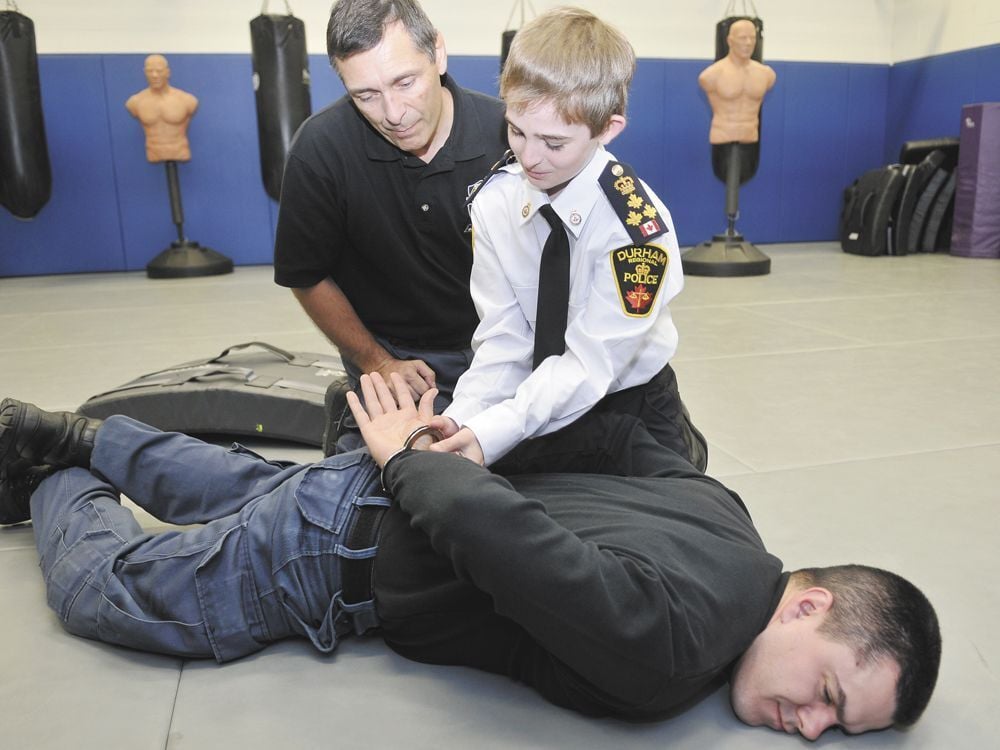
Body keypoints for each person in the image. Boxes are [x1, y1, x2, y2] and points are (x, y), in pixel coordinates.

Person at [0, 387, 940, 739]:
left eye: (838, 734)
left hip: (355, 495)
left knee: (237, 487)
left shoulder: (729, 517)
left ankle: (77, 432)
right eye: (829, 697)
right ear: (810, 608)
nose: (811, 730)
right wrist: (415, 459)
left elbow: (615, 434)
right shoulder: (675, 652)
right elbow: (521, 554)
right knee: (110, 595)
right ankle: (49, 475)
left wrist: (461, 434)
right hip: (335, 557)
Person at [427, 8, 705, 470]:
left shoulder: (636, 235)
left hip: (631, 408)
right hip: (535, 398)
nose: (530, 158)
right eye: (516, 130)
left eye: (554, 143)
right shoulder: (496, 204)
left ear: (607, 129)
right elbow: (506, 339)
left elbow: (591, 364)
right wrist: (463, 419)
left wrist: (493, 432)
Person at [272, 0, 508, 434]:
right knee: (410, 474)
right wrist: (375, 361)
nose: (393, 113)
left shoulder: (506, 134)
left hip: (502, 342)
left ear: (437, 53)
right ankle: (351, 406)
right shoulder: (320, 149)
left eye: (405, 82)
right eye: (366, 95)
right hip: (392, 351)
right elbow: (305, 275)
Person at [698, 19, 776, 186]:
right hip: (722, 134)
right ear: (729, 40)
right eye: (742, 37)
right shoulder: (711, 75)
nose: (748, 43)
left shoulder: (766, 74)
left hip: (750, 135)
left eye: (752, 37)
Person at [125, 54, 199, 163]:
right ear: (145, 72)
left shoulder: (187, 100)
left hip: (180, 152)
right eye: (150, 71)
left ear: (167, 72)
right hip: (153, 153)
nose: (154, 75)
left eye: (159, 71)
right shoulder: (135, 102)